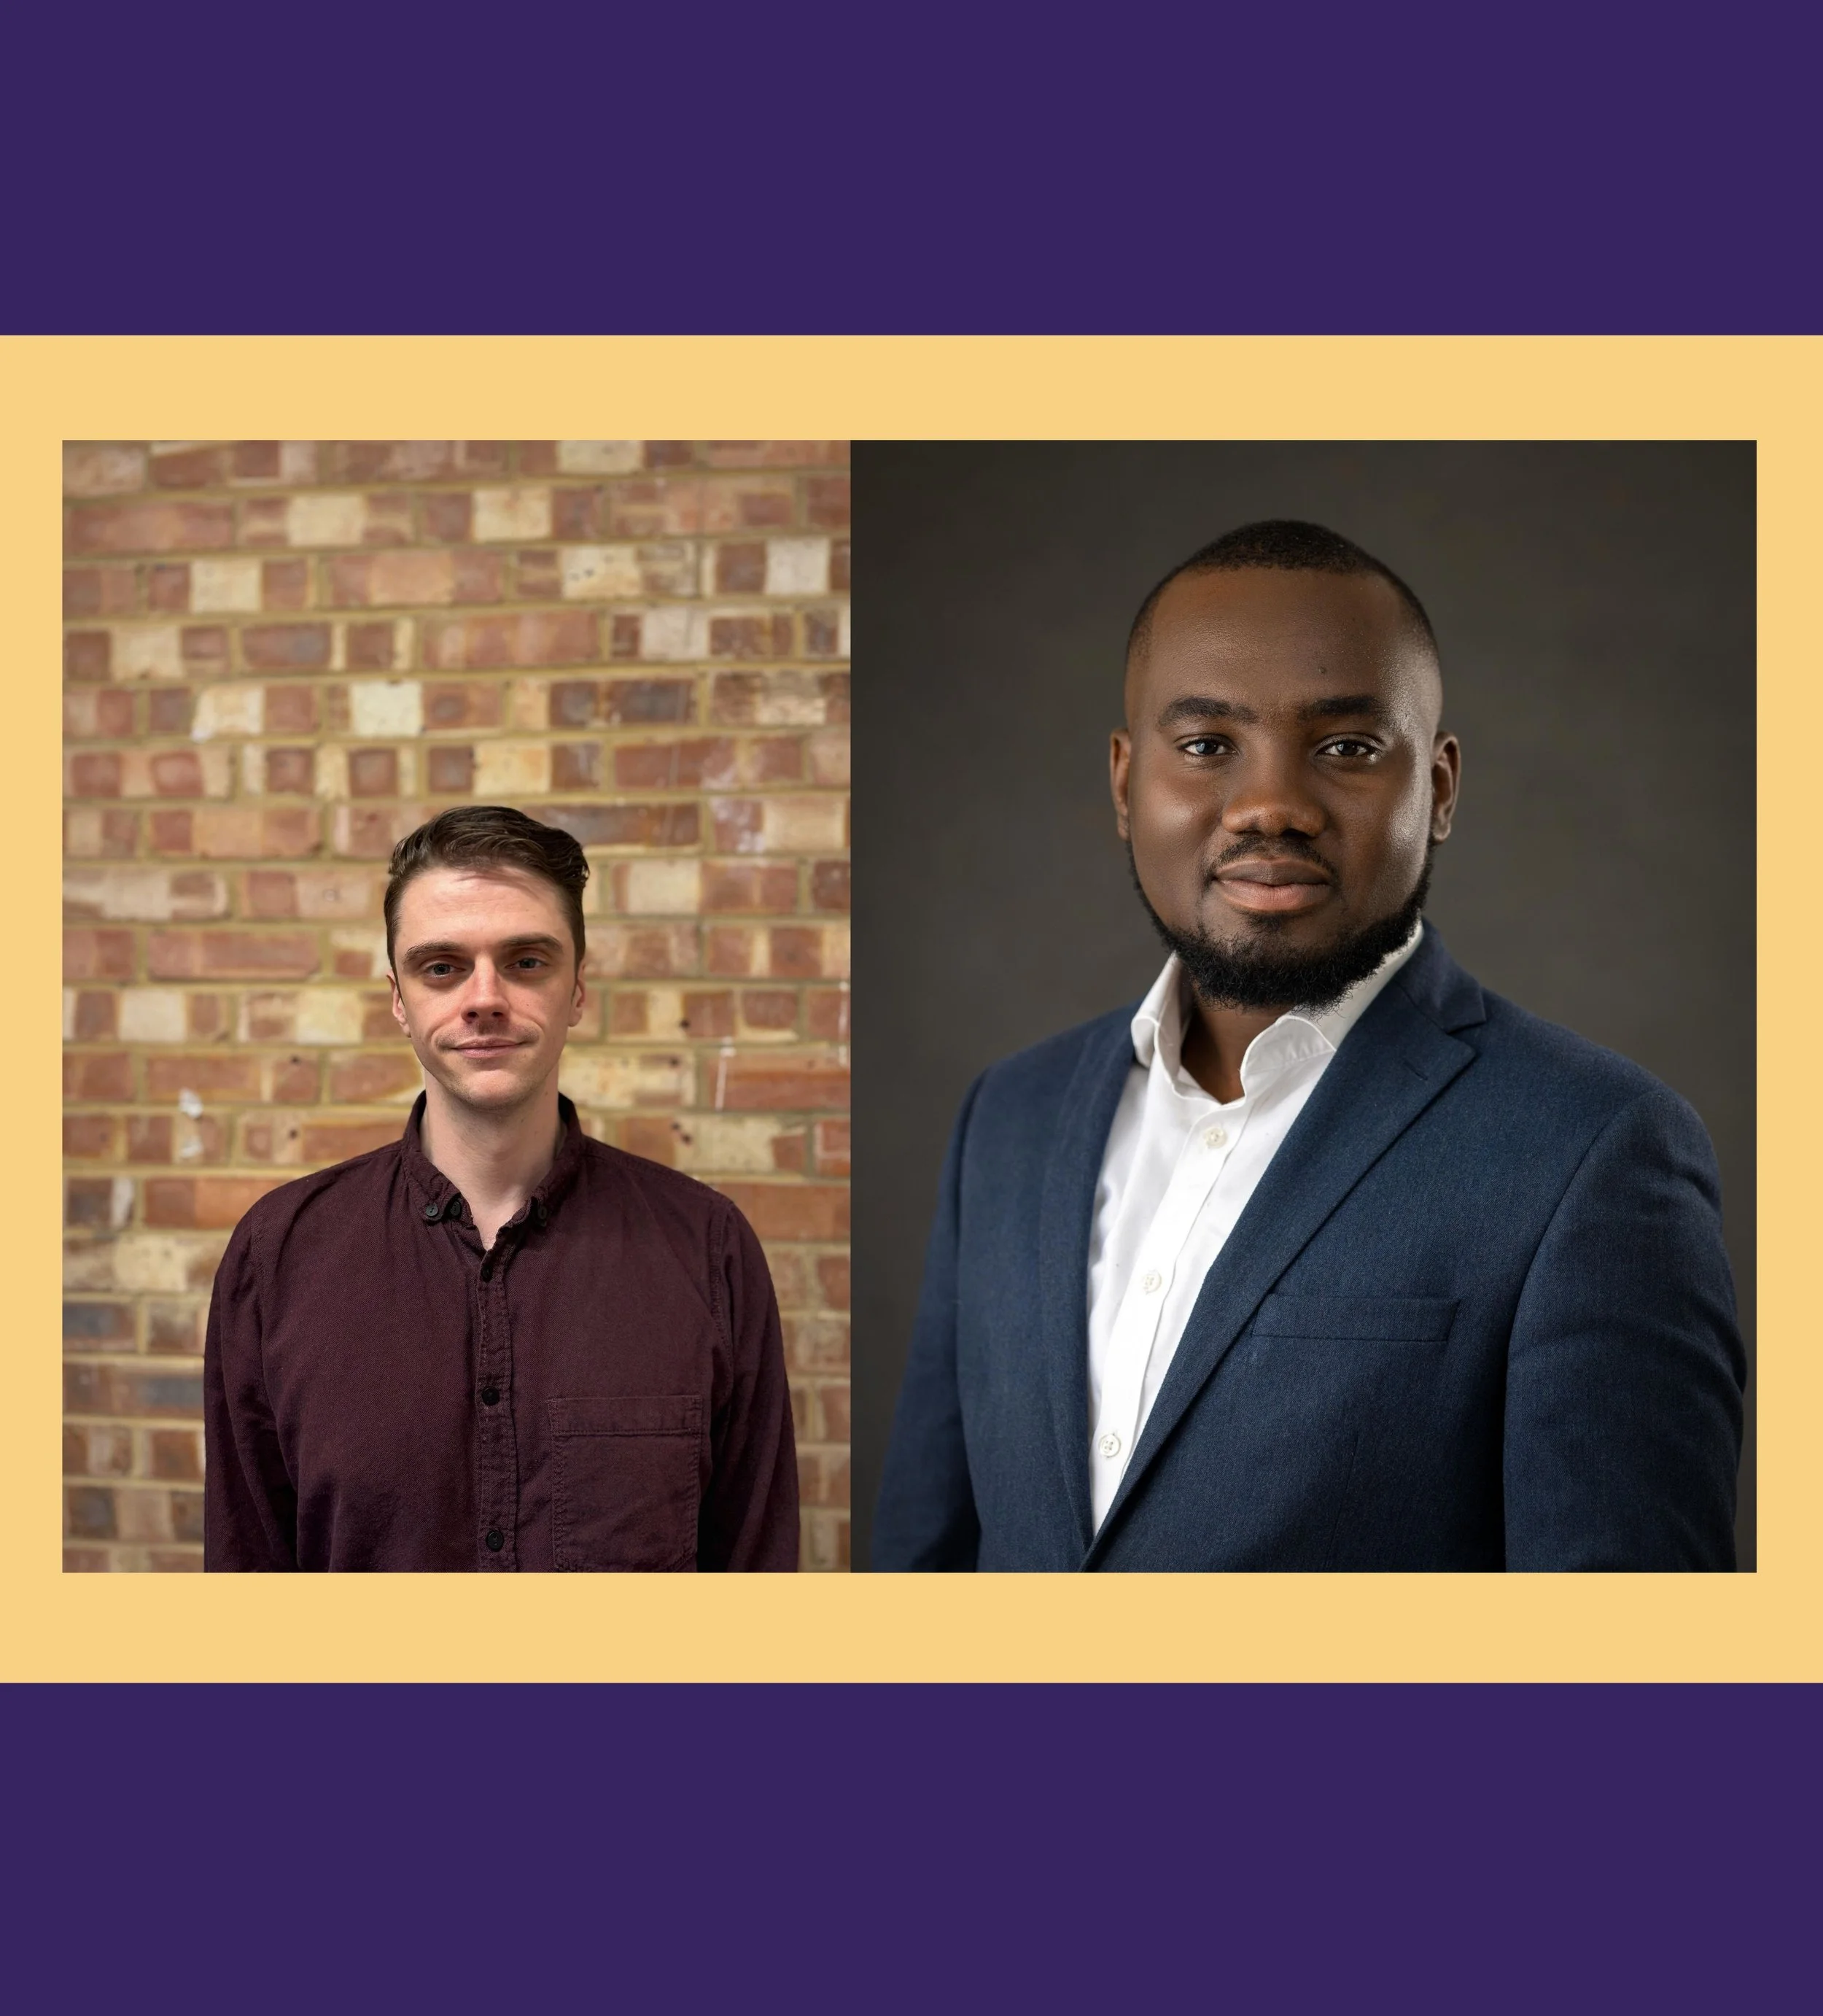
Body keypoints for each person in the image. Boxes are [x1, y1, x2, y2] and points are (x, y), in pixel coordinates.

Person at [874, 520, 1743, 1571]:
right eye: (1205, 746)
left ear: (1442, 786)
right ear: (1122, 783)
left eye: (1346, 748)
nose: (1272, 803)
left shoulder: (1596, 1151)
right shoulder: (1005, 1121)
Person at [204, 805, 798, 1570]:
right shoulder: (278, 1256)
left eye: (525, 961)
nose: (484, 997)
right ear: (398, 999)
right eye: (442, 966)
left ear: (577, 990)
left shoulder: (705, 1248)